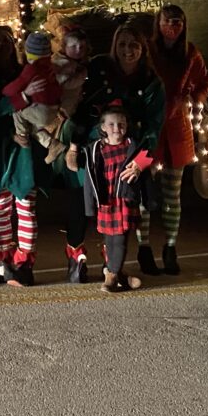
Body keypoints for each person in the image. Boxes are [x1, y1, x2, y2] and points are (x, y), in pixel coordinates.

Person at [65, 22, 166, 279]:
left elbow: (154, 126)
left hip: (129, 156)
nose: (127, 50)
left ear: (143, 49)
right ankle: (76, 257)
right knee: (82, 199)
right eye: (122, 44)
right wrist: (74, 146)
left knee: (121, 209)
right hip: (95, 151)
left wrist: (142, 161)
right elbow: (80, 107)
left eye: (134, 45)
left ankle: (112, 263)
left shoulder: (151, 82)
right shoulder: (99, 69)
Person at [0, 25, 48, 287]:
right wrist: (19, 99)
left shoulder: (25, 73)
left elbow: (40, 105)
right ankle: (5, 261)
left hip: (22, 148)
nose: (0, 46)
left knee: (26, 205)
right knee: (1, 208)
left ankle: (24, 262)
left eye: (5, 41)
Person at [146, 4, 208, 275]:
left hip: (177, 130)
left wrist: (191, 99)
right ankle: (143, 248)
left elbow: (203, 84)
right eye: (167, 20)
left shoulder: (190, 53)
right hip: (149, 130)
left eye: (178, 21)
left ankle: (170, 247)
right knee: (145, 195)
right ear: (158, 23)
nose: (173, 25)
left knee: (172, 195)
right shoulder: (148, 50)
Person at [80, 102, 146, 293]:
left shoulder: (132, 146)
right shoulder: (96, 150)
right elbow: (88, 180)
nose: (117, 128)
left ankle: (111, 277)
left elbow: (148, 154)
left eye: (121, 123)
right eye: (111, 124)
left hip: (124, 200)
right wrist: (89, 206)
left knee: (121, 240)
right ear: (102, 127)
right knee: (110, 242)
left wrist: (140, 165)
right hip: (106, 201)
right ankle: (122, 277)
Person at [49, 24, 94, 282]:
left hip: (82, 130)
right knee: (76, 193)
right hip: (63, 126)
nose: (77, 50)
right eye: (72, 46)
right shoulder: (61, 67)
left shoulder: (90, 71)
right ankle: (74, 251)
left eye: (81, 47)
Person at [3, 30, 65, 163]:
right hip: (53, 109)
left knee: (16, 109)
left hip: (41, 109)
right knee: (34, 126)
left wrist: (5, 91)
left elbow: (16, 86)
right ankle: (52, 144)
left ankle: (22, 135)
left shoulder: (31, 69)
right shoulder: (51, 66)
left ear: (28, 52)